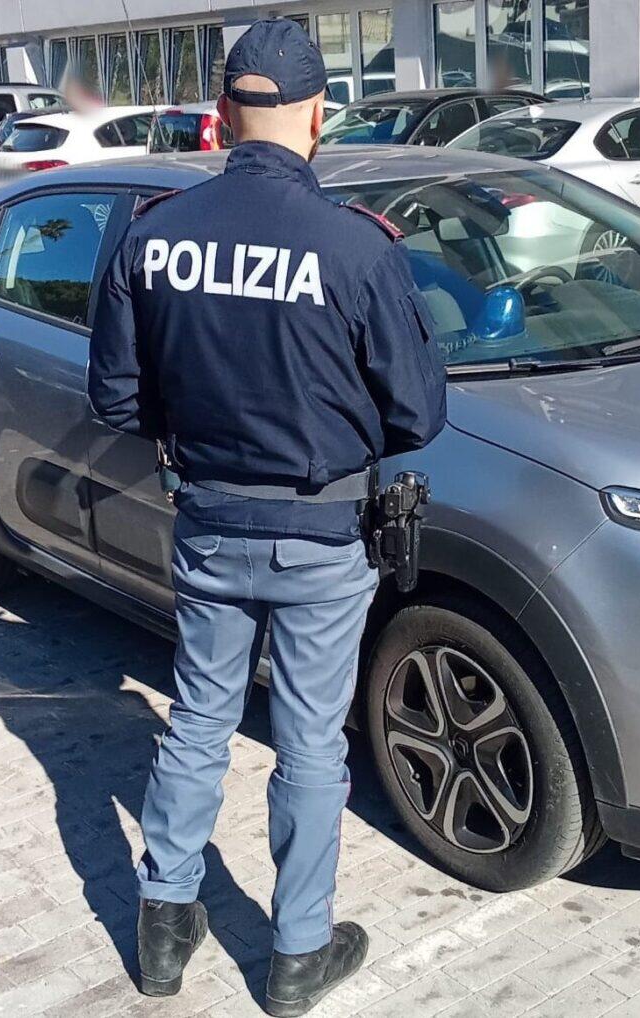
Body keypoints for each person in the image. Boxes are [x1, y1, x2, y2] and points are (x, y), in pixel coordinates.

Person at [86, 17, 447, 1016]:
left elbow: (115, 400)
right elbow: (419, 413)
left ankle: (163, 929)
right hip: (325, 536)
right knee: (310, 743)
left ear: (220, 116)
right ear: (319, 115)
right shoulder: (356, 247)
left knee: (200, 713)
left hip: (205, 519)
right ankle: (295, 953)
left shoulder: (153, 233)